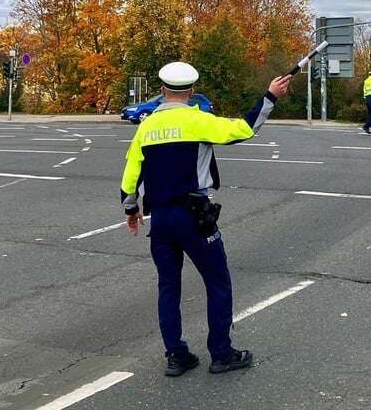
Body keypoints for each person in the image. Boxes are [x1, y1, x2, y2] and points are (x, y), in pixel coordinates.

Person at [121, 60, 291, 378]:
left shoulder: (146, 127)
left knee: (168, 287)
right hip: (193, 217)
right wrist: (270, 96)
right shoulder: (199, 121)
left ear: (161, 91)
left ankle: (176, 355)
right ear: (192, 90)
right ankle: (222, 353)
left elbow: (131, 174)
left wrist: (132, 211)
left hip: (160, 220)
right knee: (217, 282)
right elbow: (245, 128)